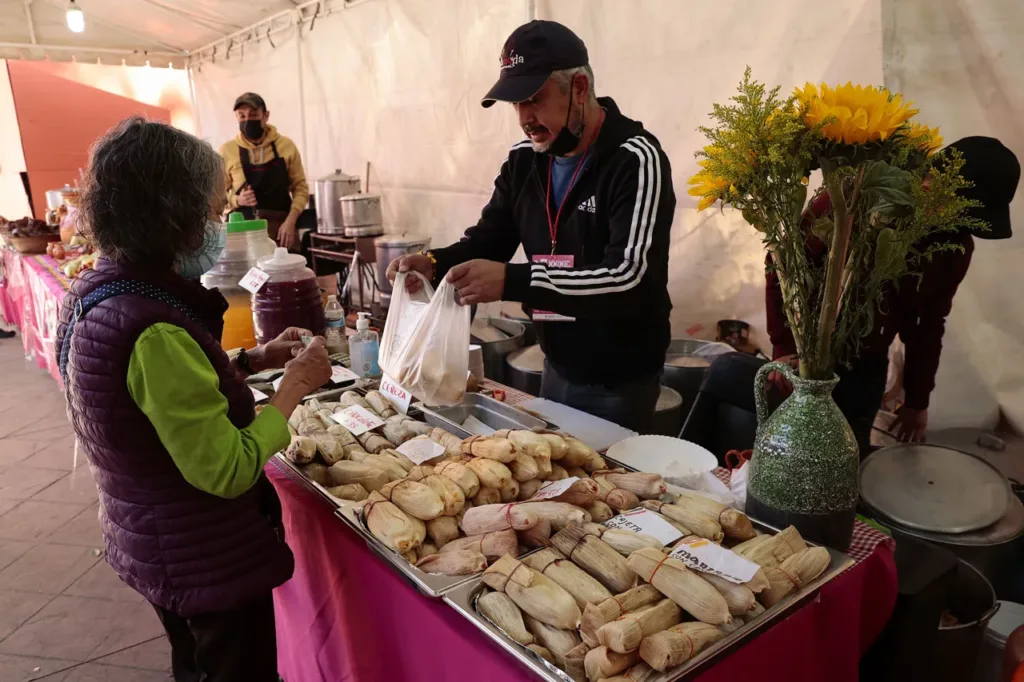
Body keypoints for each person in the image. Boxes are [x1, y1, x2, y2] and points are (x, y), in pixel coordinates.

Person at [56, 117, 332, 682]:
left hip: (155, 538)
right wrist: (293, 390)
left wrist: (251, 362)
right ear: (170, 215)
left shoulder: (100, 291)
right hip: (202, 554)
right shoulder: (151, 327)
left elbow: (153, 401)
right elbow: (227, 468)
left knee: (198, 664)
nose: (218, 225)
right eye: (210, 212)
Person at [387, 21, 675, 433]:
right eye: (516, 105)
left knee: (608, 488)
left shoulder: (634, 159)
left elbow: (629, 279)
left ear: (578, 88)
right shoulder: (525, 160)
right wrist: (434, 263)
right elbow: (489, 239)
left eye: (535, 99)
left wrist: (514, 280)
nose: (525, 118)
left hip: (619, 378)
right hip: (554, 362)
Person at [766, 136, 1020, 456]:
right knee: (785, 455)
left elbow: (928, 324)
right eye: (962, 210)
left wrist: (917, 401)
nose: (961, 222)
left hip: (866, 367)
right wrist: (784, 346)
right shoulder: (855, 197)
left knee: (848, 459)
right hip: (804, 360)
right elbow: (782, 265)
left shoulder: (953, 248)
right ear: (933, 181)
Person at [219, 92, 309, 251]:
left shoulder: (286, 146)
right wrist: (237, 200)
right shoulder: (228, 150)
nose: (247, 120)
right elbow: (217, 195)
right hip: (243, 232)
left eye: (254, 114)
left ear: (266, 116)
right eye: (242, 115)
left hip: (281, 230)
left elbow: (301, 189)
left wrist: (290, 221)